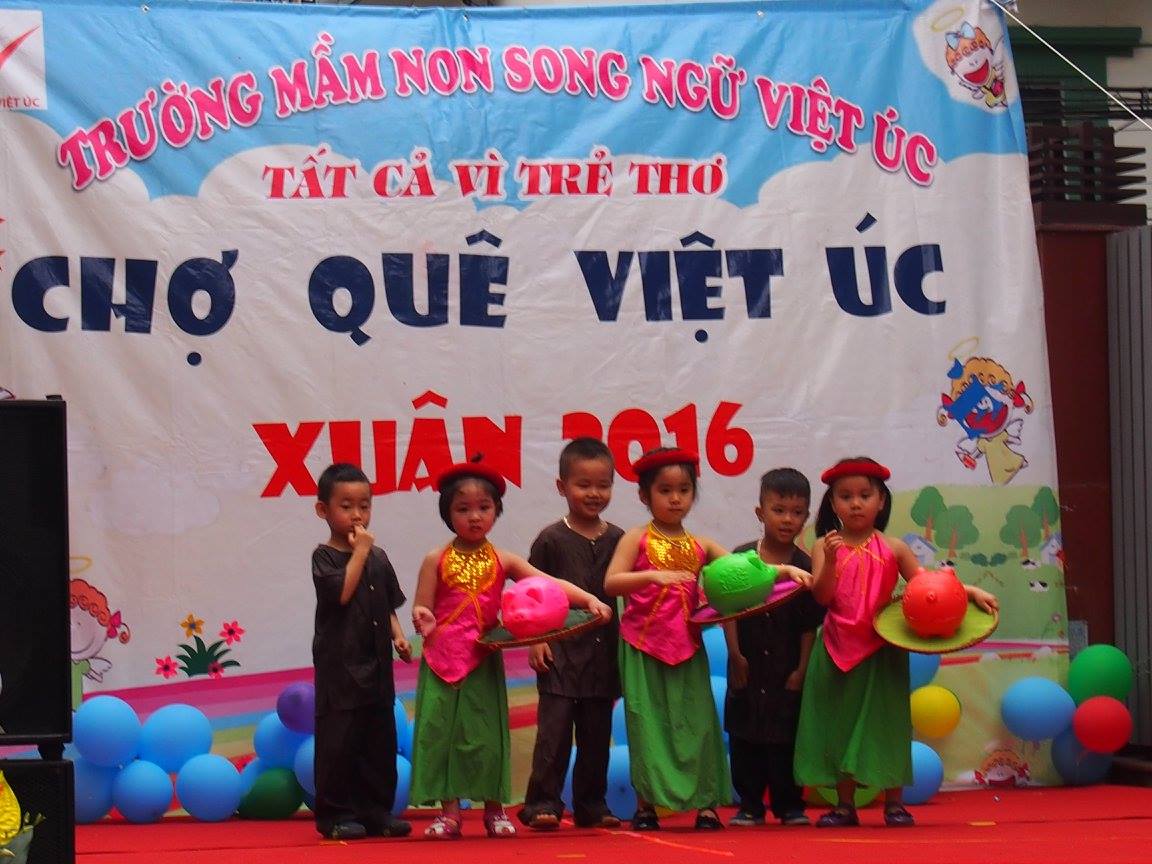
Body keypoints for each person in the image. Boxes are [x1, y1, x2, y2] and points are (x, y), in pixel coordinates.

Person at [605, 447, 809, 832]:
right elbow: (611, 582)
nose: (676, 498)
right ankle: (646, 807)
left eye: (684, 490)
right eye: (665, 490)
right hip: (643, 648)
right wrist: (653, 576)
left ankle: (706, 806)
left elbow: (747, 569)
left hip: (687, 647)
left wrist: (784, 571)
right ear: (644, 495)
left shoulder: (701, 544)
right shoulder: (636, 539)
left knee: (697, 726)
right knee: (646, 726)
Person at [409, 458, 613, 840]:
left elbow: (549, 584)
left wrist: (589, 600)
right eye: (463, 509)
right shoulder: (435, 559)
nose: (474, 517)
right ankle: (449, 813)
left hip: (482, 660)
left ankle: (494, 810)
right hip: (441, 662)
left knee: (486, 737)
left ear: (496, 511)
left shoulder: (504, 560)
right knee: (442, 736)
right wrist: (424, 616)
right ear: (447, 512)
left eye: (483, 508)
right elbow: (422, 605)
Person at [794, 457, 998, 828]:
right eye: (845, 496)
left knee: (887, 724)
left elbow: (928, 586)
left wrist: (969, 591)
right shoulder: (824, 545)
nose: (856, 503)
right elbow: (822, 597)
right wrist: (832, 561)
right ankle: (844, 805)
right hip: (836, 649)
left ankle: (894, 804)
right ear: (833, 503)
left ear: (881, 501)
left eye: (865, 495)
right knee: (839, 724)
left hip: (881, 651)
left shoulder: (895, 548)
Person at [519, 438, 625, 831]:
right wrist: (536, 639)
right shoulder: (551, 539)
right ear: (562, 486)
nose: (594, 493)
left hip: (603, 656)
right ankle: (542, 803)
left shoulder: (619, 539)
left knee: (597, 736)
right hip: (559, 656)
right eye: (584, 485)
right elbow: (530, 594)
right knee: (555, 734)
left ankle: (591, 805)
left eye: (603, 485)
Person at [311, 463, 413, 841]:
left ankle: (376, 812)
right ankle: (336, 815)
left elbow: (387, 604)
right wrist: (360, 552)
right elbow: (342, 593)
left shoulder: (378, 556)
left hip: (377, 667)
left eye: (364, 506)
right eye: (346, 506)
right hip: (340, 669)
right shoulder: (324, 557)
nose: (357, 515)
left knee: (378, 742)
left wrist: (398, 636)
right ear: (323, 510)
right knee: (339, 743)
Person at [723, 468, 825, 828]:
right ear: (760, 512)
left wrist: (801, 669)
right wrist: (735, 655)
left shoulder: (806, 566)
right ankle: (750, 805)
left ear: (806, 517)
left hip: (785, 666)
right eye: (778, 510)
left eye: (796, 512)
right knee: (744, 735)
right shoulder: (741, 558)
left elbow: (809, 626)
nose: (787, 519)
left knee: (786, 737)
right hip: (747, 663)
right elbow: (728, 610)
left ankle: (789, 805)